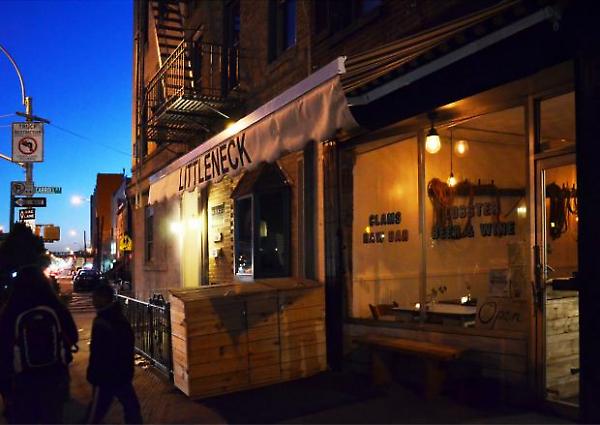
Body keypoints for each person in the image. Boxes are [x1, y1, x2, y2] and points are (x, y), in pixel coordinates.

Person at [0, 266, 79, 424]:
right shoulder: (55, 306)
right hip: (54, 375)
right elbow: (73, 336)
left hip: (23, 379)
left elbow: (4, 349)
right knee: (52, 417)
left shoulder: (11, 310)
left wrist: (6, 389)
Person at [85, 284, 142, 424]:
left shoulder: (103, 321)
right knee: (132, 408)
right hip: (121, 374)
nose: (93, 301)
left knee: (95, 413)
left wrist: (94, 374)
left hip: (106, 376)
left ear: (103, 298)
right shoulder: (117, 318)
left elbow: (98, 353)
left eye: (95, 297)